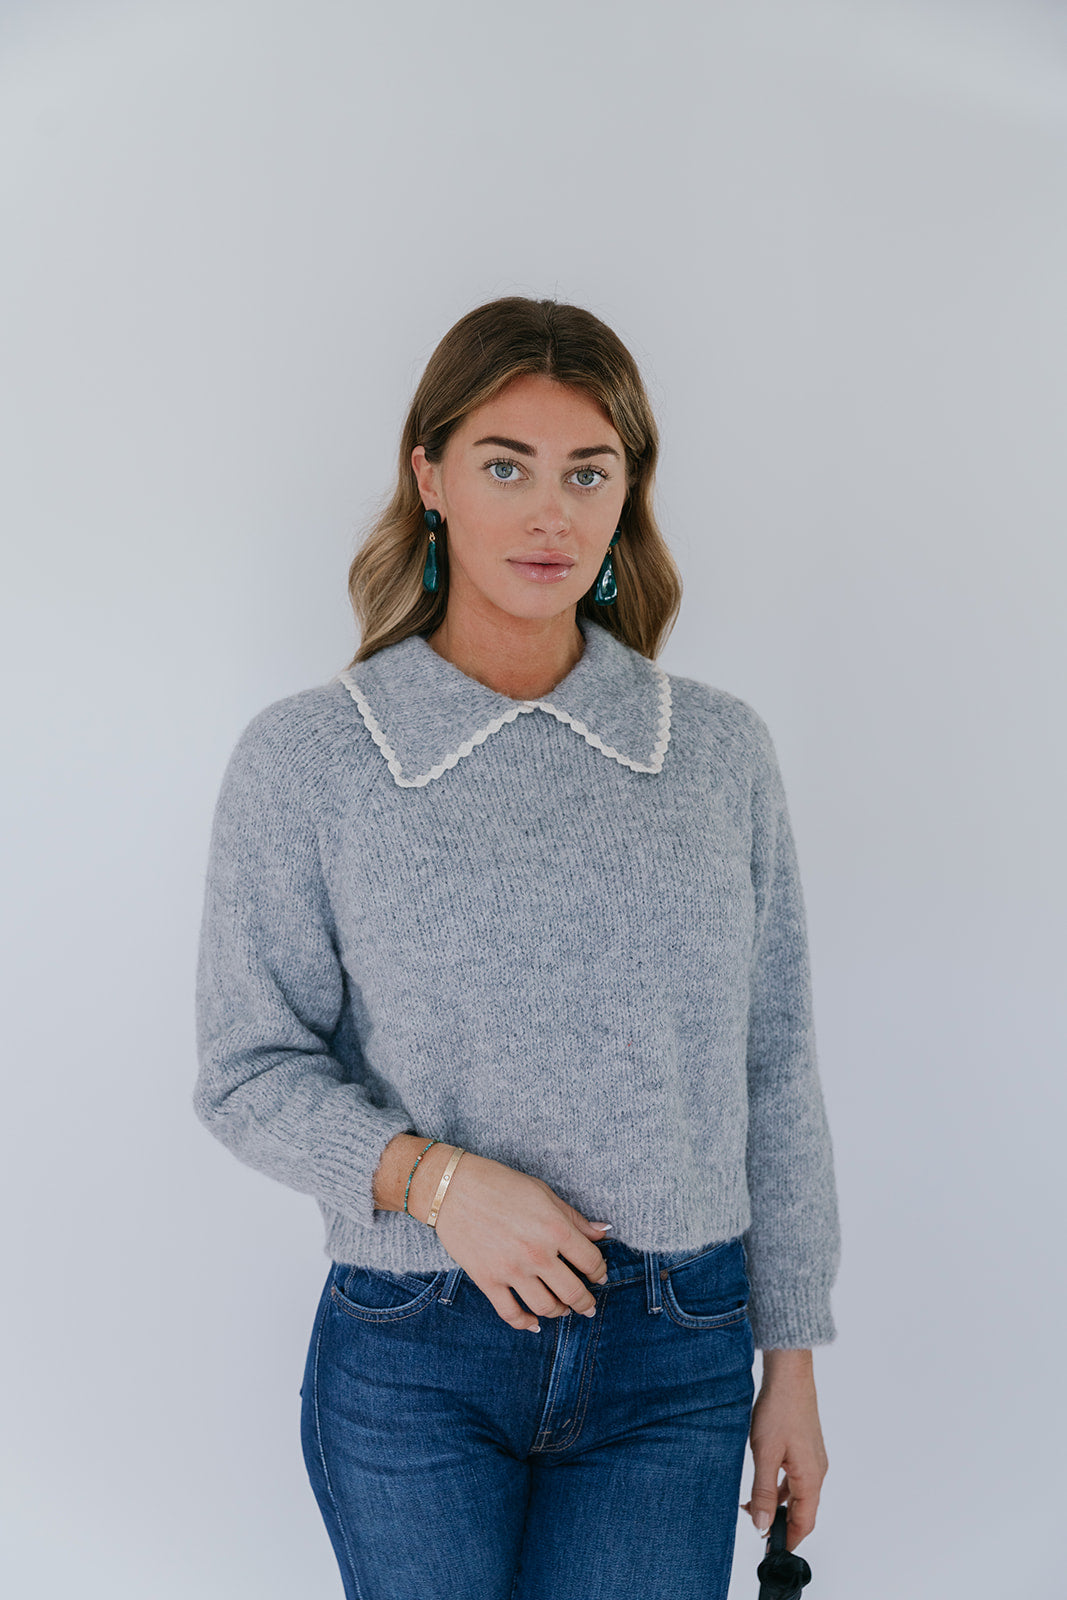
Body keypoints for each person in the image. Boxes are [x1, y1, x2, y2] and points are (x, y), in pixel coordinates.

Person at [193, 295, 840, 1600]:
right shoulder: (312, 758)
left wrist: (793, 1363)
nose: (551, 514)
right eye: (506, 467)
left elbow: (772, 1070)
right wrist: (440, 1185)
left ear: (627, 495)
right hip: (418, 1349)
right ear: (430, 478)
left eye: (587, 472)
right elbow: (246, 1070)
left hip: (679, 1351)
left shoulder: (717, 751)